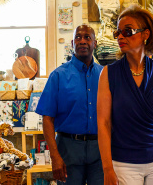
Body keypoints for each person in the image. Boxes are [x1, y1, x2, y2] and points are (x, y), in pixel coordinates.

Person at [97, 5, 153, 185]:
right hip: (124, 162)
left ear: (145, 34)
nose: (120, 36)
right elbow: (104, 124)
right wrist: (107, 169)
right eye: (118, 32)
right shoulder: (108, 74)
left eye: (127, 31)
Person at [36, 25, 103, 185]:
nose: (82, 41)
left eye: (87, 37)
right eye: (78, 38)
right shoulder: (58, 76)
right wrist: (54, 156)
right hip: (67, 149)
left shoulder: (105, 75)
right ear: (72, 43)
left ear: (94, 43)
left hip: (99, 151)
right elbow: (47, 119)